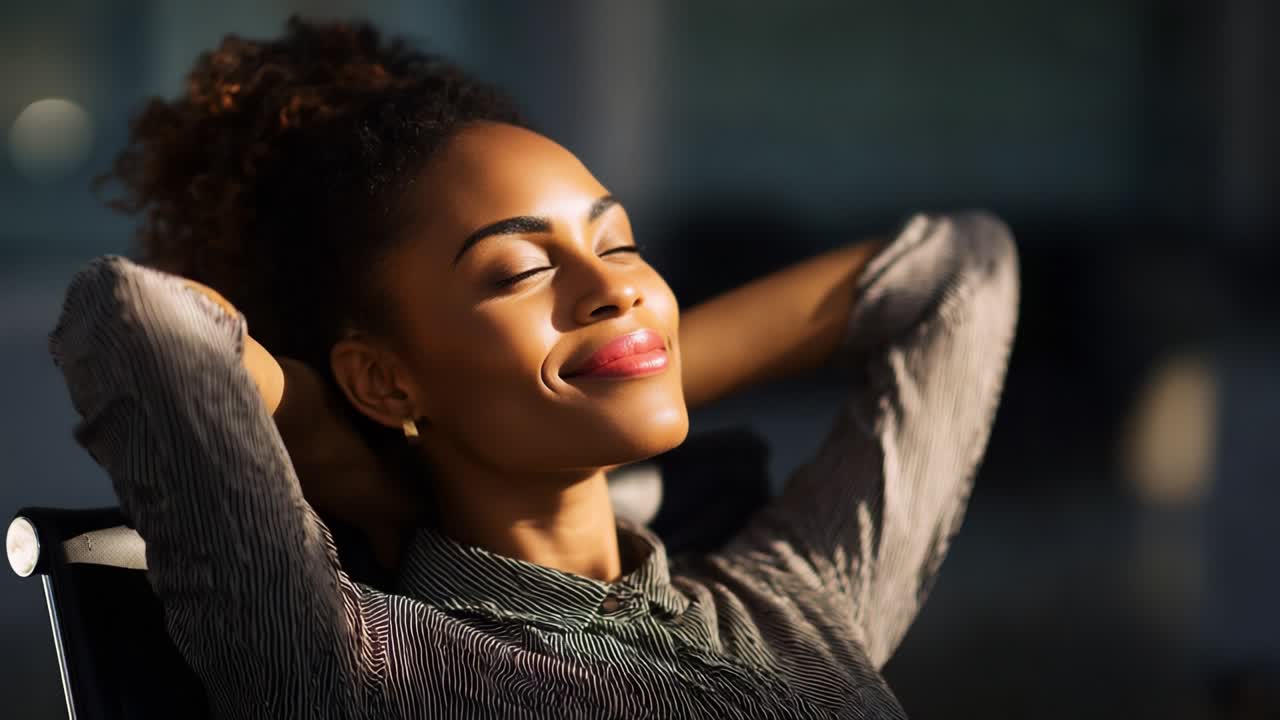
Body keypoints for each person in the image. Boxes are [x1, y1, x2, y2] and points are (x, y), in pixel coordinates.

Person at [49, 16, 1018, 719]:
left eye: (619, 243)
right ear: (383, 381)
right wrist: (330, 439)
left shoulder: (798, 600)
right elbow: (138, 319)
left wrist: (640, 364)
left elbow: (962, 270)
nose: (614, 287)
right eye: (519, 271)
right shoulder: (357, 665)